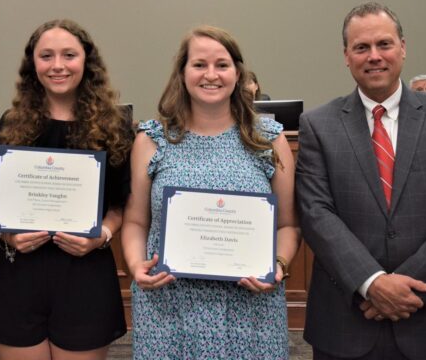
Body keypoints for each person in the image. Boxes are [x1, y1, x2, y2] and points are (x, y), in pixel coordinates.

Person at [295, 2, 426, 360]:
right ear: (346, 56)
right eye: (361, 47)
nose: (374, 56)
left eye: (384, 44)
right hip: (345, 320)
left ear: (403, 47)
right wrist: (372, 283)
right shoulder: (318, 125)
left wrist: (402, 287)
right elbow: (315, 213)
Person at [122, 26, 299, 359]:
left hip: (251, 308)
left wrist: (278, 264)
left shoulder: (268, 140)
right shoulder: (152, 139)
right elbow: (134, 221)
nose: (211, 74)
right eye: (199, 64)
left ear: (237, 73)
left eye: (222, 64)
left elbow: (288, 225)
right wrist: (135, 265)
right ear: (182, 73)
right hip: (169, 307)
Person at [0, 19, 132, 360]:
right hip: (17, 273)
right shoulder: (10, 123)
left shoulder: (115, 128)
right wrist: (7, 236)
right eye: (46, 56)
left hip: (85, 273)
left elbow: (123, 202)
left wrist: (102, 234)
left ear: (86, 62)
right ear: (33, 64)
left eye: (69, 55)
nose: (57, 65)